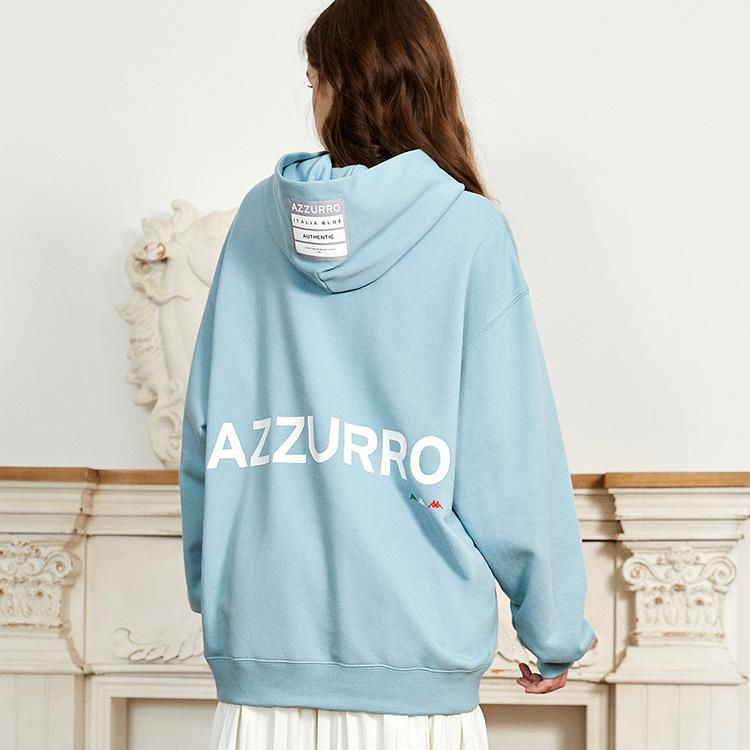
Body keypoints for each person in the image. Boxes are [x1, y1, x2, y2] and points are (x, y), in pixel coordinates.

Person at [178, 0, 598, 748]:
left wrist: (222, 591)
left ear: (339, 87)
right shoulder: (469, 232)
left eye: (314, 79)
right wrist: (553, 624)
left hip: (262, 660)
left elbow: (208, 428)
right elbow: (508, 452)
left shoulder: (255, 224)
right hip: (417, 666)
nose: (311, 99)